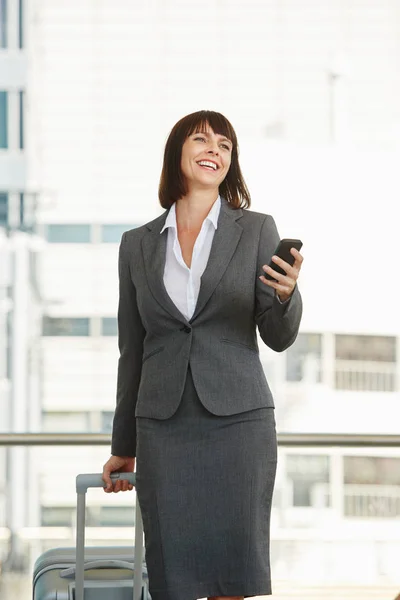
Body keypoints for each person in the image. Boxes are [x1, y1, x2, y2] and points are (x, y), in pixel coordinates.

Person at [102, 110, 303, 600]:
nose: (214, 149)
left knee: (232, 580)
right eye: (201, 139)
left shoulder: (256, 230)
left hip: (238, 425)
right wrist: (122, 445)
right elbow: (133, 351)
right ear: (178, 153)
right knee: (173, 580)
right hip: (164, 429)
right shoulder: (137, 245)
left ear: (231, 164)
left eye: (225, 145)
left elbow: (277, 337)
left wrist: (285, 296)